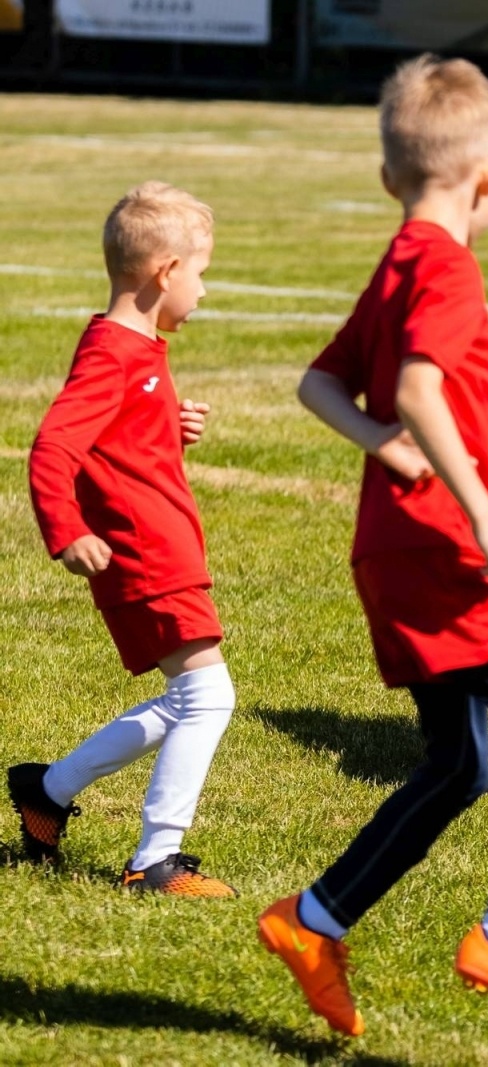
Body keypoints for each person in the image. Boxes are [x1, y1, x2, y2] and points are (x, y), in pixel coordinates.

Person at [256, 54, 488, 1036]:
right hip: (438, 545)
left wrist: (381, 446)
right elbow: (416, 388)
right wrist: (482, 511)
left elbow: (318, 382)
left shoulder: (399, 259)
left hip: (387, 545)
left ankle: (311, 920)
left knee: (457, 764)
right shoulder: (446, 266)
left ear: (388, 176)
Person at [10, 181, 236, 898]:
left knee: (189, 696)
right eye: (201, 273)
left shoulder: (138, 346)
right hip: (145, 554)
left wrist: (170, 425)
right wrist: (66, 531)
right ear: (166, 272)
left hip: (162, 549)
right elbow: (53, 447)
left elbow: (121, 437)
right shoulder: (113, 352)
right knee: (208, 696)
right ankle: (154, 861)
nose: (203, 290)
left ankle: (47, 790)